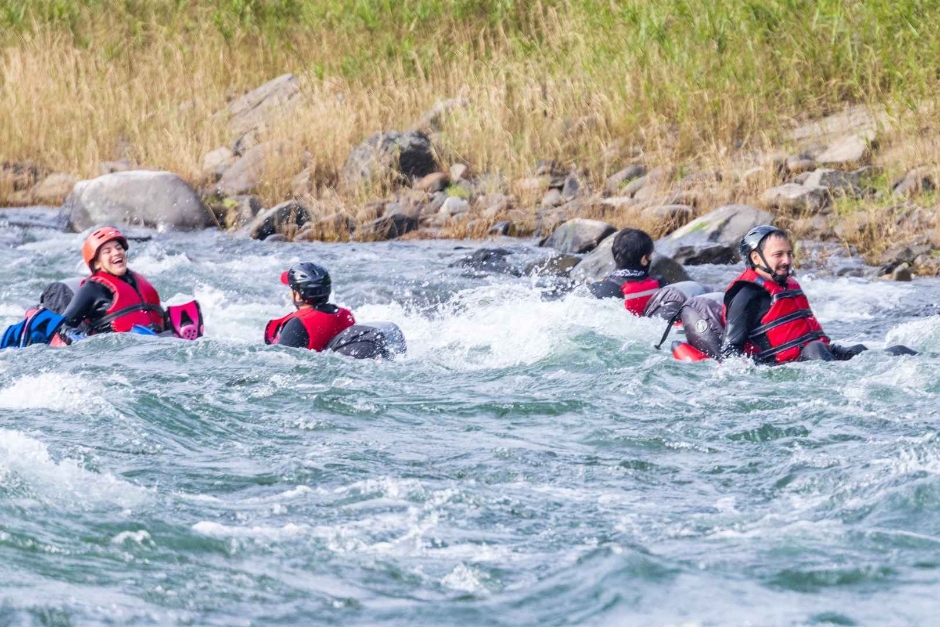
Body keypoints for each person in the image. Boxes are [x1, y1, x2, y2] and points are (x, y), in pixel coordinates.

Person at [720, 225, 915, 363]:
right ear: (756, 257)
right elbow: (730, 351)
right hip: (784, 366)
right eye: (778, 255)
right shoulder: (745, 294)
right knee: (815, 349)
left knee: (876, 350)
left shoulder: (787, 285)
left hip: (817, 356)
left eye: (789, 253)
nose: (787, 261)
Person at [57, 226, 166, 343]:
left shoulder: (138, 282)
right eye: (107, 251)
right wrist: (78, 340)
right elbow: (63, 325)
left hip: (155, 342)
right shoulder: (91, 289)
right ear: (97, 263)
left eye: (119, 248)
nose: (116, 253)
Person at [264, 262, 356, 350]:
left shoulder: (297, 323)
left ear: (299, 296)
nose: (289, 293)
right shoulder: (345, 315)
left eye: (292, 289)